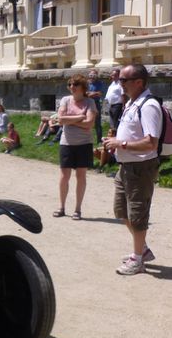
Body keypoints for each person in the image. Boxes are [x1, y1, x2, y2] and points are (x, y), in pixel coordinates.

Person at [104, 64, 163, 275]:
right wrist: (114, 142)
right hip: (126, 166)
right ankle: (143, 250)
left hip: (141, 167)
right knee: (121, 211)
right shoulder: (132, 102)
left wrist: (121, 144)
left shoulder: (148, 106)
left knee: (137, 214)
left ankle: (137, 259)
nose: (120, 84)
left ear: (139, 82)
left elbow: (151, 143)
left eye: (123, 80)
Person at [53, 74, 95, 220]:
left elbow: (89, 124)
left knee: (80, 176)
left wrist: (68, 121)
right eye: (70, 84)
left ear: (83, 87)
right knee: (64, 176)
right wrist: (79, 118)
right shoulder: (65, 100)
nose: (72, 87)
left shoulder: (90, 102)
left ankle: (77, 209)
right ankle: (62, 207)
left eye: (75, 84)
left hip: (84, 144)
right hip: (67, 143)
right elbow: (60, 119)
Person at [87, 69, 105, 144]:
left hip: (96, 103)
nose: (92, 77)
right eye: (90, 75)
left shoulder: (100, 83)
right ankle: (87, 139)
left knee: (98, 122)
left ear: (96, 76)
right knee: (87, 121)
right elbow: (84, 93)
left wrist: (89, 94)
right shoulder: (86, 83)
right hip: (87, 103)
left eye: (94, 75)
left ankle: (99, 140)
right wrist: (94, 93)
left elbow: (100, 93)